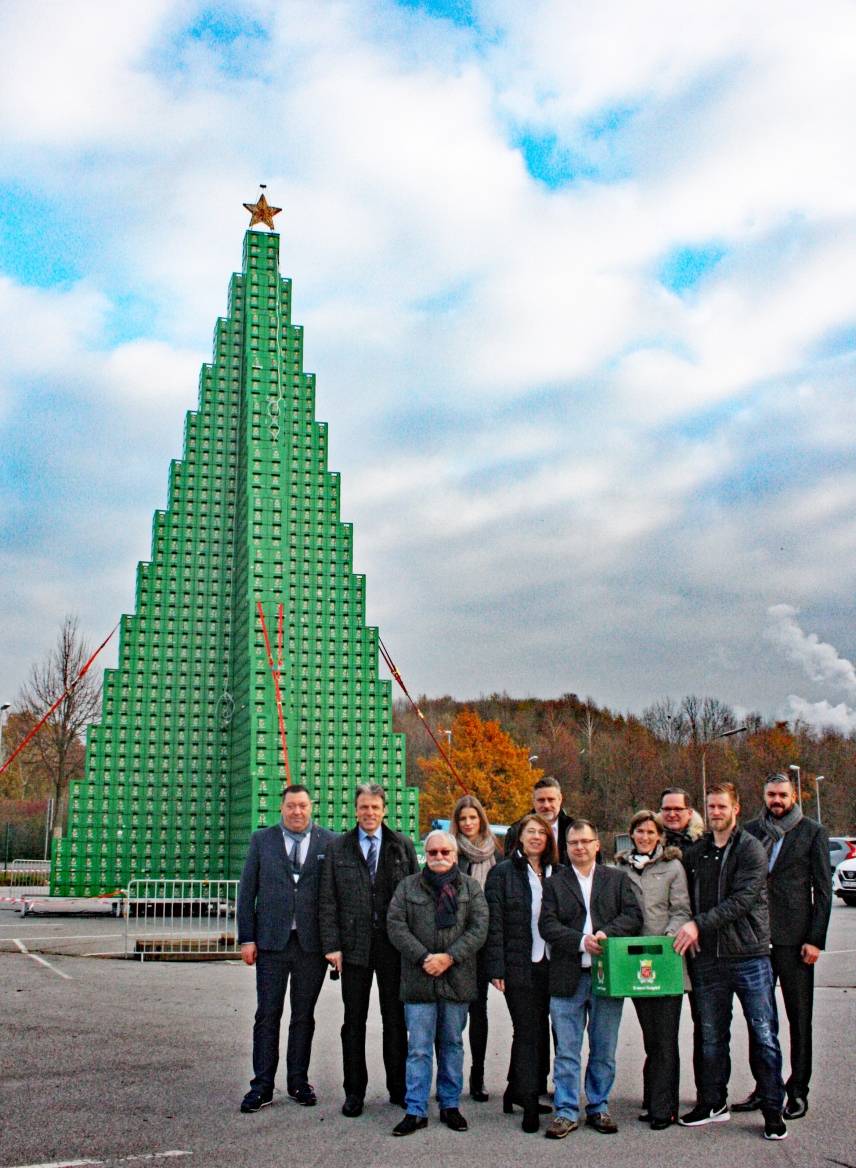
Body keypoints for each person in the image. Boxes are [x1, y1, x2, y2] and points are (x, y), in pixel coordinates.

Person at [675, 782, 788, 1141]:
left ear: (736, 809)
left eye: (722, 806)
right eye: (710, 806)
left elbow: (742, 900)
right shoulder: (698, 851)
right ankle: (713, 1102)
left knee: (764, 1034)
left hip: (749, 956)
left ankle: (773, 1110)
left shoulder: (751, 849)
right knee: (710, 1036)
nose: (716, 812)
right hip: (707, 959)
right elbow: (680, 888)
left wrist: (697, 925)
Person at [319, 782, 419, 1117]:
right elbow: (328, 900)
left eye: (375, 807)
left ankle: (399, 1088)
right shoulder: (339, 848)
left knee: (395, 1019)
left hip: (393, 948)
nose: (369, 813)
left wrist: (414, 947)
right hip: (354, 948)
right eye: (364, 807)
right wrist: (332, 945)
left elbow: (416, 899)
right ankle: (354, 1093)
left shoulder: (401, 846)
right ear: (356, 809)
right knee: (354, 1022)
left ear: (385, 810)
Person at [539, 819, 643, 1138]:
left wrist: (605, 933)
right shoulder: (556, 883)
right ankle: (566, 1111)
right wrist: (580, 940)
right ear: (566, 848)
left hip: (605, 978)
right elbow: (547, 925)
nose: (580, 847)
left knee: (603, 1047)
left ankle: (598, 1107)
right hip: (567, 977)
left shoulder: (617, 879)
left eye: (585, 841)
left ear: (598, 844)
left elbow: (633, 916)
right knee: (567, 1049)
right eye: (573, 843)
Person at [237, 784, 335, 1112]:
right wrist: (247, 939)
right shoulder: (261, 840)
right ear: (281, 808)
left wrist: (334, 944)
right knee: (268, 1014)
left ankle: (298, 1081)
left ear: (311, 808)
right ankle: (262, 1085)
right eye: (291, 806)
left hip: (310, 946)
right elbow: (246, 890)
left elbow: (334, 897)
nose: (297, 812)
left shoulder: (328, 842)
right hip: (271, 944)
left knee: (303, 1016)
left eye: (303, 806)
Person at [740, 773, 832, 1119]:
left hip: (795, 941)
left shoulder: (812, 832)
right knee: (759, 1018)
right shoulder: (751, 830)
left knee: (798, 1018)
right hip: (755, 937)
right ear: (763, 796)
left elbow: (823, 891)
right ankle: (766, 1087)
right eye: (771, 795)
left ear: (793, 796)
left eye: (782, 795)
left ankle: (797, 1090)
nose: (776, 800)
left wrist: (815, 939)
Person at [386, 830, 489, 1136]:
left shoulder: (471, 888)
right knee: (418, 1048)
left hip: (457, 978)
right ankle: (415, 1109)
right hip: (418, 980)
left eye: (446, 852)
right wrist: (424, 957)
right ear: (425, 856)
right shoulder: (408, 887)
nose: (440, 857)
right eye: (433, 853)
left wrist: (449, 957)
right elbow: (396, 925)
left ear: (455, 856)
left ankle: (450, 1105)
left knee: (452, 1045)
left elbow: (479, 927)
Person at [614, 810, 691, 1129]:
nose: (644, 836)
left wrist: (668, 940)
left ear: (660, 836)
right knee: (651, 1036)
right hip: (633, 960)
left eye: (650, 832)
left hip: (666, 959)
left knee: (665, 1036)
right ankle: (652, 1097)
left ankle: (664, 1107)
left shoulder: (673, 867)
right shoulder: (619, 868)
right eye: (639, 831)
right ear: (631, 834)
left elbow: (681, 910)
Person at [485, 813, 558, 1133]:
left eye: (542, 832)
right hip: (519, 965)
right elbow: (494, 924)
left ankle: (515, 1088)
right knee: (528, 1030)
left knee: (537, 1030)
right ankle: (528, 1100)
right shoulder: (502, 874)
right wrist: (496, 967)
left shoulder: (560, 872)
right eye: (531, 832)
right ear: (519, 837)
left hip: (553, 965)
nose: (536, 837)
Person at [449, 794, 500, 1102]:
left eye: (473, 818)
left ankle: (477, 1074)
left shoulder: (496, 854)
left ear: (481, 819)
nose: (468, 824)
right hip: (454, 942)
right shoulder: (451, 851)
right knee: (453, 1015)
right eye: (463, 819)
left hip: (483, 942)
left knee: (478, 1011)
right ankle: (449, 1075)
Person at [504, 776, 572, 863]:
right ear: (533, 801)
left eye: (551, 799)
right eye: (541, 800)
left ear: (560, 799)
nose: (546, 805)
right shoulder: (516, 832)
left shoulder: (574, 830)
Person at [659, 787, 705, 857]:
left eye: (678, 809)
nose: (672, 814)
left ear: (689, 813)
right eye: (667, 809)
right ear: (661, 811)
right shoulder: (648, 842)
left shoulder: (705, 845)